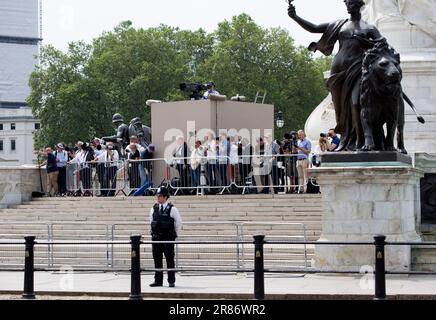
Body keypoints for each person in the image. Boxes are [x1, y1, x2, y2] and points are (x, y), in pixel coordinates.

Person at [288, 0, 385, 151]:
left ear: (359, 4)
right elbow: (314, 28)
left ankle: (361, 141)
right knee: (340, 109)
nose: (348, 5)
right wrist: (296, 17)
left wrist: (371, 45)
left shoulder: (369, 28)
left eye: (351, 2)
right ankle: (346, 141)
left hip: (358, 69)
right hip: (338, 71)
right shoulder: (340, 24)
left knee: (356, 103)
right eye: (346, 2)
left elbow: (383, 45)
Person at [149, 187, 182, 288]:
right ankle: (158, 280)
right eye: (157, 196)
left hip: (168, 238)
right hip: (157, 238)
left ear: (166, 197)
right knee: (157, 259)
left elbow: (178, 224)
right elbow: (150, 222)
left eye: (160, 196)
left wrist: (172, 234)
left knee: (170, 259)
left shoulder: (172, 209)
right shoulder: (153, 208)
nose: (158, 198)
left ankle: (171, 280)